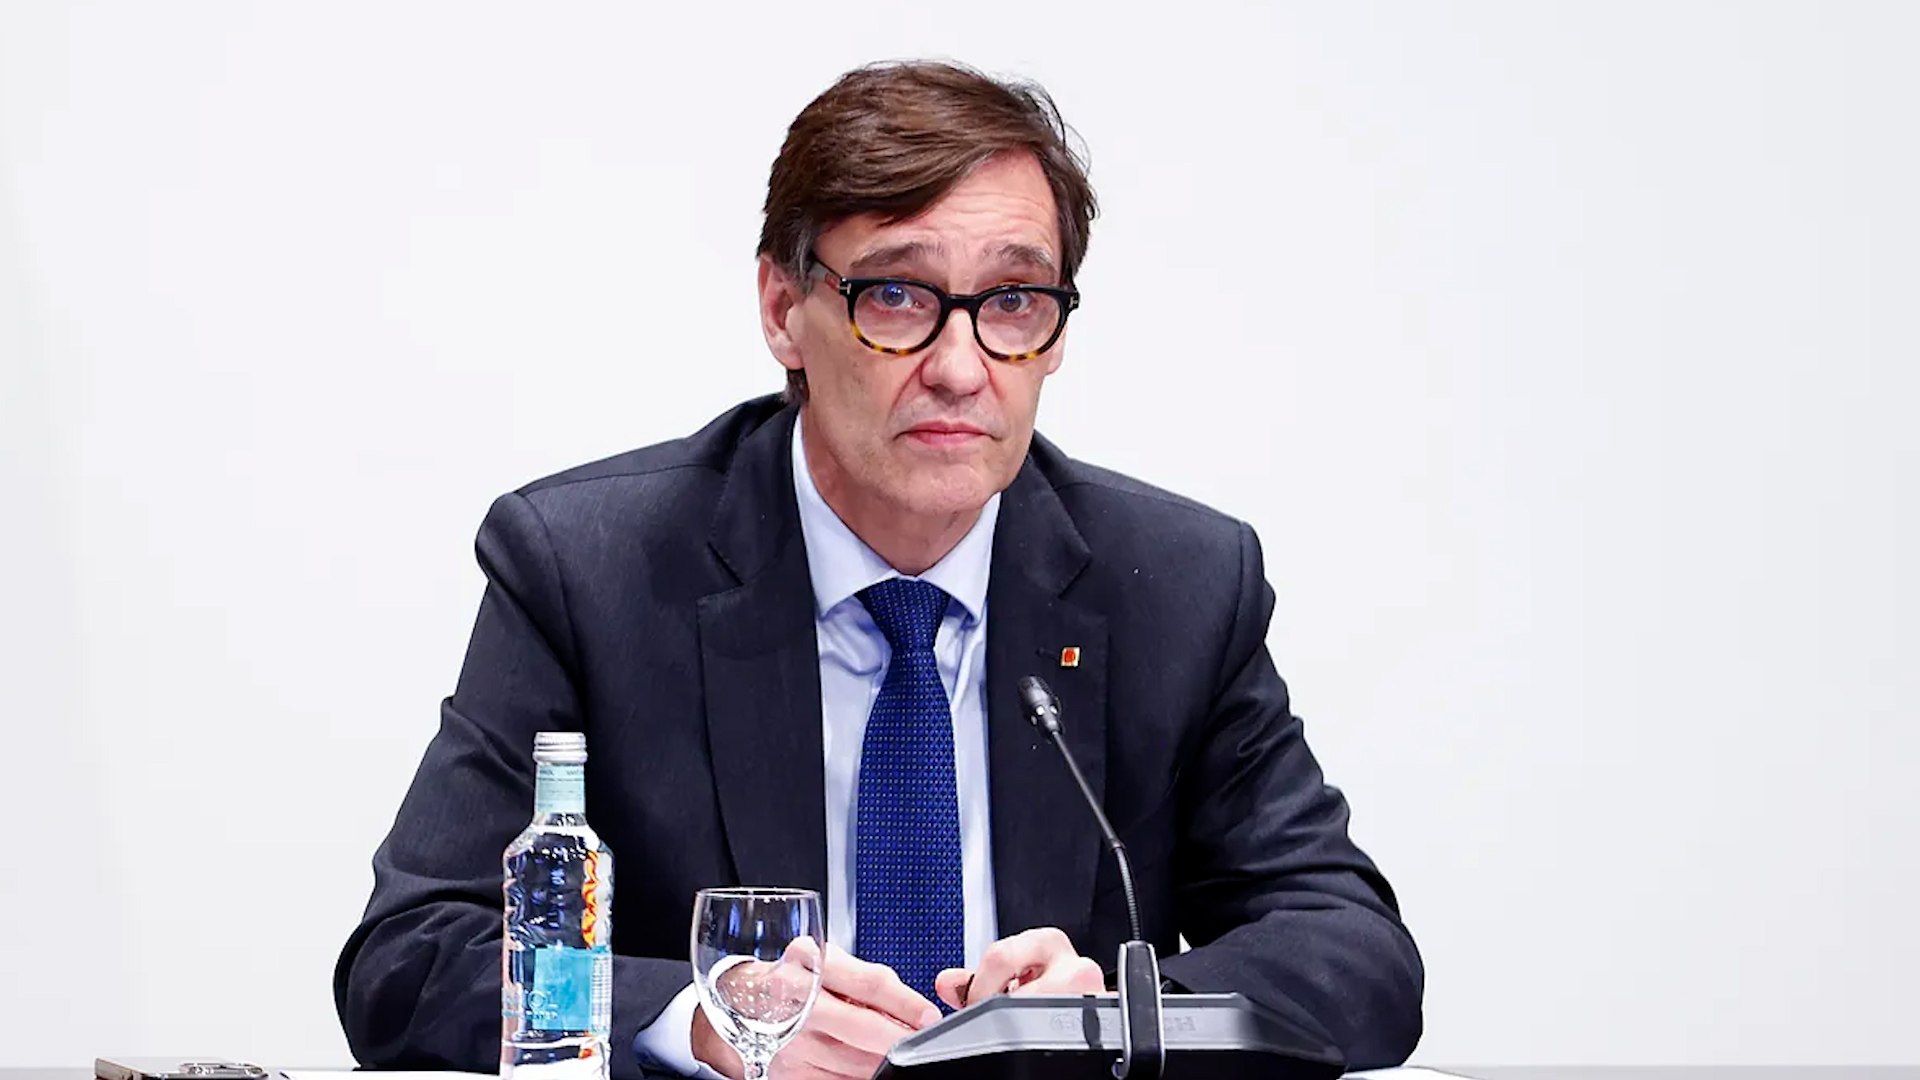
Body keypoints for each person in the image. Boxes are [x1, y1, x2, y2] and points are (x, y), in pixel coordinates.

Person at [334, 60, 1424, 1080]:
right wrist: (710, 1021)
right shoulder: (592, 571)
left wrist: (1104, 1020)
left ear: (1054, 335)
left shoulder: (1176, 586)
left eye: (1013, 303)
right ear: (783, 310)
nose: (960, 367)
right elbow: (410, 959)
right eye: (897, 295)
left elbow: (1354, 955)